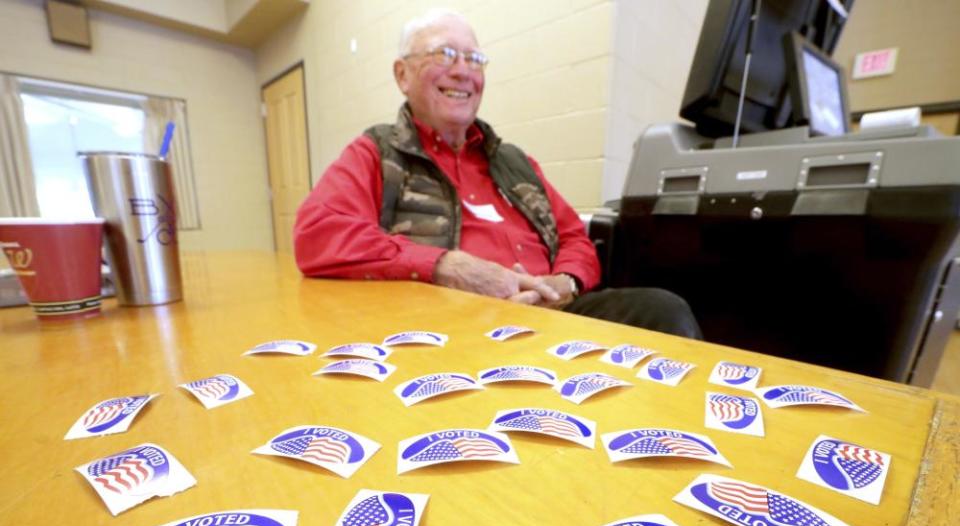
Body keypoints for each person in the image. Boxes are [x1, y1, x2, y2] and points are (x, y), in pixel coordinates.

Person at [294, 8, 701, 339]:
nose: (462, 71)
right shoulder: (376, 152)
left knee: (663, 310)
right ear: (402, 74)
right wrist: (447, 266)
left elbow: (574, 236)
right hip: (451, 327)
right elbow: (318, 233)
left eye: (474, 59)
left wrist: (565, 282)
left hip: (553, 314)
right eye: (444, 55)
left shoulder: (514, 160)